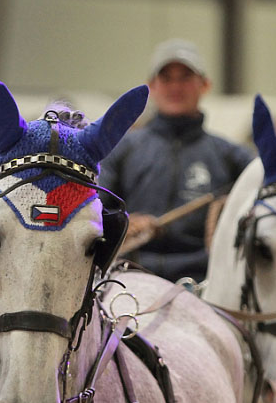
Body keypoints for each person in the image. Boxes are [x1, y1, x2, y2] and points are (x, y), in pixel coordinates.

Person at [100, 39, 254, 282]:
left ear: (205, 85)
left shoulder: (233, 157)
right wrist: (123, 223)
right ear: (151, 86)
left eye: (185, 77)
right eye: (166, 78)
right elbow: (91, 208)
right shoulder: (121, 149)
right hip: (127, 276)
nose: (175, 87)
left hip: (205, 282)